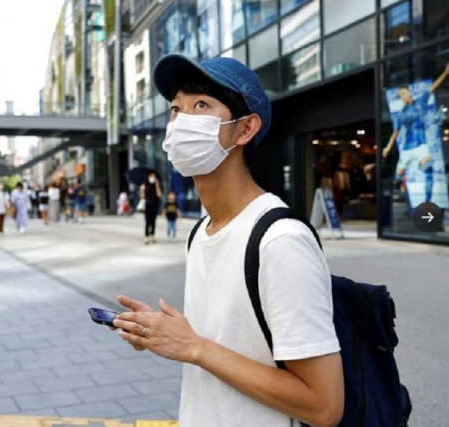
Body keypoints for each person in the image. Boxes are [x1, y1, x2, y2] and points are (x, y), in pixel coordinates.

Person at [113, 54, 343, 426]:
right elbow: (228, 344)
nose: (181, 120)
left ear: (245, 129)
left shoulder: (280, 241)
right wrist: (164, 335)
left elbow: (324, 406)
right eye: (175, 109)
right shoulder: (201, 231)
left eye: (200, 105)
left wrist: (193, 347)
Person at [382, 63, 449, 205]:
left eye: (403, 93)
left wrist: (445, 73)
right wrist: (388, 147)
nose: (402, 96)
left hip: (421, 146)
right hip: (407, 148)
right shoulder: (400, 115)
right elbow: (395, 133)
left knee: (429, 169)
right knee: (398, 176)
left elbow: (433, 88)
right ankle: (400, 187)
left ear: (409, 92)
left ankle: (427, 202)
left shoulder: (421, 102)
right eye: (400, 96)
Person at [143, 171, 162, 244]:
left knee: (153, 222)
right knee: (147, 222)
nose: (152, 178)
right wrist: (142, 189)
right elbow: (143, 197)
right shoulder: (146, 185)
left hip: (155, 206)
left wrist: (157, 185)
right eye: (150, 176)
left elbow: (159, 195)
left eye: (153, 176)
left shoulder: (158, 185)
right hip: (147, 206)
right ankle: (146, 237)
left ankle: (152, 236)